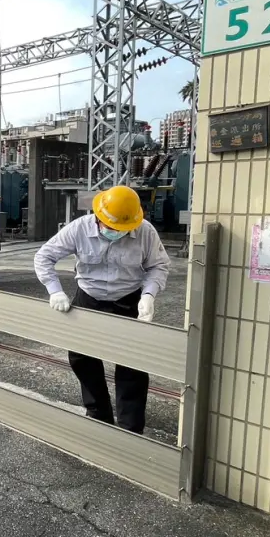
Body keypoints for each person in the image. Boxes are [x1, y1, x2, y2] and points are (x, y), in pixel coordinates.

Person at [33, 185, 170, 433]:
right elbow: (44, 257)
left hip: (128, 299)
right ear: (99, 217)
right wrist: (54, 290)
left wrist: (149, 295)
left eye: (123, 230)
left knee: (133, 363)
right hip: (89, 297)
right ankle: (98, 414)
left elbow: (158, 266)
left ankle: (131, 427)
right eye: (112, 227)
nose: (117, 233)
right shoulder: (79, 228)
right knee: (82, 358)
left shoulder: (145, 231)